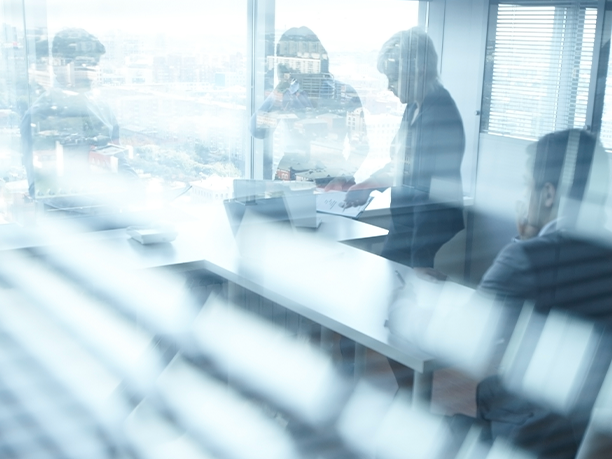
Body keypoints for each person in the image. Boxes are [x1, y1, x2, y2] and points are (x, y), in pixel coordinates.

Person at [344, 28, 464, 278]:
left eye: (394, 77)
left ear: (417, 70)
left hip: (425, 228)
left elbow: (430, 192)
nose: (389, 86)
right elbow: (401, 163)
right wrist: (371, 183)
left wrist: (421, 259)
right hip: (407, 224)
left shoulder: (439, 115)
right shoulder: (414, 107)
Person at [20, 28, 138, 212]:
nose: (90, 73)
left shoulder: (103, 110)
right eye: (83, 64)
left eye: (94, 64)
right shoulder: (39, 116)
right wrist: (96, 206)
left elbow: (118, 159)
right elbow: (40, 187)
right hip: (69, 225)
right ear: (59, 65)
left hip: (113, 214)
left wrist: (137, 191)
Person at [250, 26, 368, 188]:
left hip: (333, 177)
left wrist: (341, 179)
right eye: (289, 59)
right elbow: (258, 131)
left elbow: (361, 146)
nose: (298, 64)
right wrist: (280, 88)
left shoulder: (345, 94)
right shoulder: (284, 95)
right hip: (290, 179)